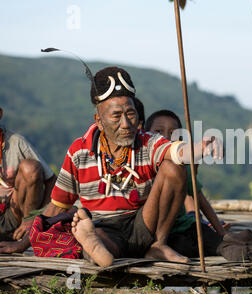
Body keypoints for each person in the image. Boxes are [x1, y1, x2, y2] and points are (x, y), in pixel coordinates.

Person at [0, 66, 221, 267]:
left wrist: (200, 146)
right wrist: (25, 242)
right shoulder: (79, 151)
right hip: (104, 226)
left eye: (131, 114)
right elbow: (57, 206)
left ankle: (159, 245)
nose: (126, 124)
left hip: (144, 222)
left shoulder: (148, 141)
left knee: (174, 167)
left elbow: (177, 151)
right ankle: (93, 245)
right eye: (116, 116)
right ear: (99, 120)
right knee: (102, 242)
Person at [145, 109, 228, 257]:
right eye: (158, 132)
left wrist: (221, 233)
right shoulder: (142, 163)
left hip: (183, 226)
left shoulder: (180, 166)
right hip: (153, 231)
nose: (165, 137)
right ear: (146, 135)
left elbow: (198, 196)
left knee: (218, 244)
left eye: (173, 134)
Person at [0, 107, 56, 242]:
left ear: (0, 114)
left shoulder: (16, 142)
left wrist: (39, 217)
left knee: (30, 168)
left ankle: (28, 229)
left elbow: (51, 179)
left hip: (14, 213)